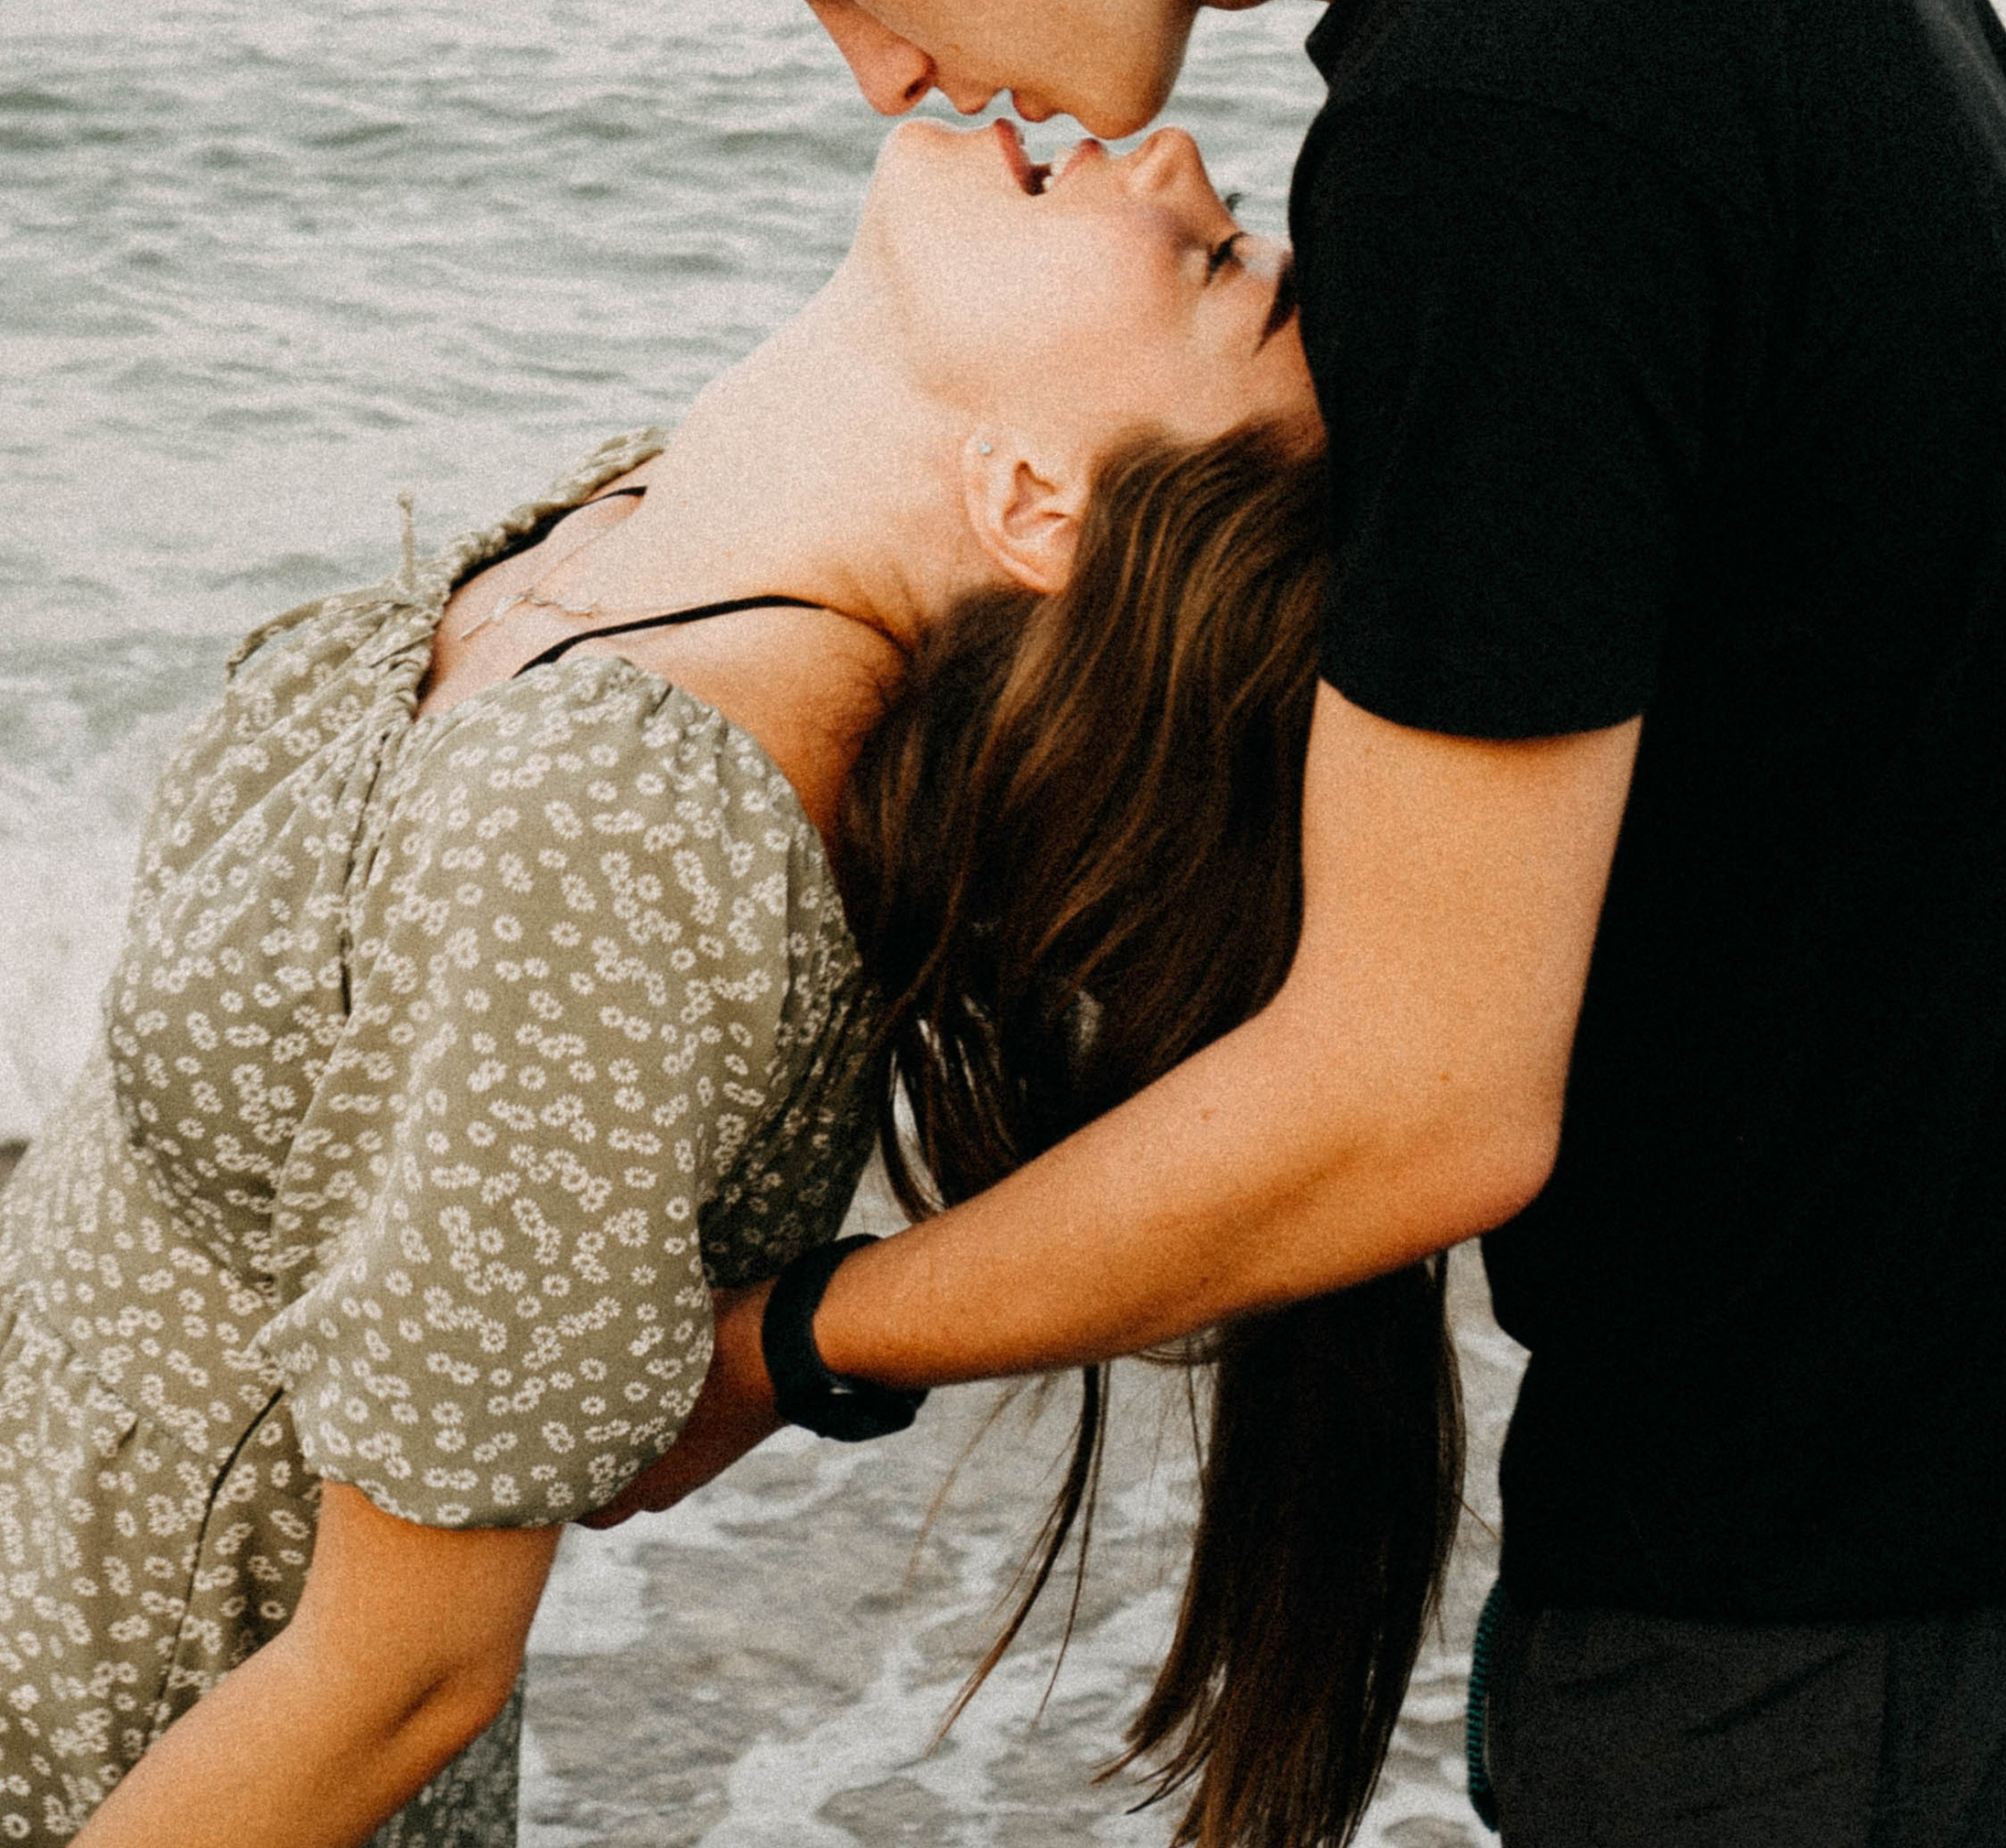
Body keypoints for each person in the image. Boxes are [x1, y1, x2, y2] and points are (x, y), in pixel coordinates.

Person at [529, 0, 2006, 1848]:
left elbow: (1414, 1099)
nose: (879, 74)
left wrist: (787, 1348)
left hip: (1855, 1594)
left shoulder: (1510, 105)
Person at [2, 113, 1441, 1848]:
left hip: (112, 1726)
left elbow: (400, 1678)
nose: (1177, 156)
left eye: (1216, 269)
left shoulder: (615, 830)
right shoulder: (661, 543)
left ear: (1035, 499)